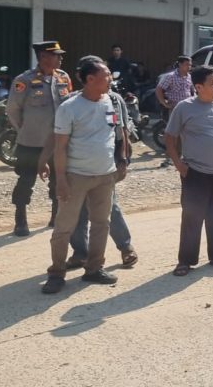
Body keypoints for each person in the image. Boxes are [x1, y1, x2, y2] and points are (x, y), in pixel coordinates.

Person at [41, 58, 122, 294]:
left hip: (105, 176)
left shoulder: (109, 101)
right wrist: (61, 180)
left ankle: (94, 269)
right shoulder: (70, 108)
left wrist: (119, 163)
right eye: (106, 76)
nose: (110, 79)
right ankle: (56, 273)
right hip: (76, 177)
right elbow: (60, 147)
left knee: (101, 224)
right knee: (64, 227)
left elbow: (113, 133)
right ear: (90, 79)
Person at [63, 55, 138, 271]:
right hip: (78, 166)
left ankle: (125, 247)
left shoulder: (112, 100)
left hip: (107, 162)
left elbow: (120, 131)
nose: (108, 79)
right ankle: (80, 253)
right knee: (77, 212)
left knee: (109, 208)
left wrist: (123, 160)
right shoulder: (71, 102)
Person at [164, 65, 213, 276]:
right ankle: (185, 261)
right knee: (192, 217)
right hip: (195, 172)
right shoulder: (184, 108)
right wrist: (179, 165)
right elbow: (170, 139)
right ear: (198, 87)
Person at [7, 41, 73, 236]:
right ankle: (20, 220)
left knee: (58, 179)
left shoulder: (63, 77)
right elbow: (13, 109)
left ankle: (55, 216)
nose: (61, 58)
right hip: (31, 142)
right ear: (43, 57)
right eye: (57, 55)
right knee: (26, 180)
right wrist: (25, 129)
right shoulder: (24, 80)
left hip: (58, 143)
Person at [155, 56, 194, 167]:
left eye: (190, 65)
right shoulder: (170, 76)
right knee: (173, 134)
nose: (189, 67)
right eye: (187, 64)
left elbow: (191, 91)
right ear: (180, 64)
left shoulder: (189, 77)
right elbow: (159, 89)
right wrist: (164, 103)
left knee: (185, 133)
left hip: (188, 108)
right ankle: (168, 158)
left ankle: (181, 157)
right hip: (175, 108)